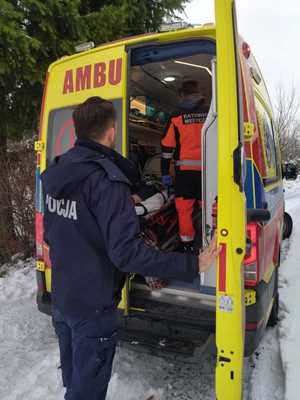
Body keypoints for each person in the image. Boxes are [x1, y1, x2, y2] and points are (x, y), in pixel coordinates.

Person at [41, 96, 220, 400]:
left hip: (62, 299)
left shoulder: (58, 172)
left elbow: (50, 234)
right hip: (93, 307)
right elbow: (126, 254)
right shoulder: (107, 182)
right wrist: (192, 265)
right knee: (87, 391)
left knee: (75, 381)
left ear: (77, 130)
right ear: (111, 131)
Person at [161, 80, 208, 253]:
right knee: (209, 207)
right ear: (198, 93)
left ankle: (187, 245)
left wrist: (165, 171)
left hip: (185, 174)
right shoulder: (211, 112)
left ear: (182, 94)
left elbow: (167, 147)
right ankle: (208, 242)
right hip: (208, 172)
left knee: (184, 209)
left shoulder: (176, 116)